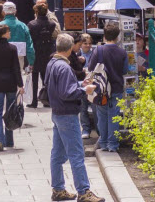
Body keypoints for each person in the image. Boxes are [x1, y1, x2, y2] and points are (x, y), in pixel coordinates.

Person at [45, 34, 104, 202]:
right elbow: (67, 93)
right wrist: (85, 90)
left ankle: (58, 189)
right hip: (67, 114)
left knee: (57, 154)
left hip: (57, 113)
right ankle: (84, 191)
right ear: (70, 48)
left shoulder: (53, 63)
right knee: (76, 154)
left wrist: (79, 84)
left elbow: (59, 88)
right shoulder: (64, 67)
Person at [88, 23, 128, 153]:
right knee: (114, 116)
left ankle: (103, 142)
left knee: (102, 116)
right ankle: (113, 144)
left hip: (101, 89)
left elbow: (90, 68)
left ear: (104, 36)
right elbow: (124, 70)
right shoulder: (122, 52)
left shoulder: (98, 50)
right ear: (117, 36)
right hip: (116, 88)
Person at [0, 23, 24, 151]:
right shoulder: (12, 48)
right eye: (8, 31)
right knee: (10, 111)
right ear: (3, 34)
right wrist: (20, 84)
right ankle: (9, 140)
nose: (10, 33)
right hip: (11, 82)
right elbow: (16, 68)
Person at [27, 3, 57, 108]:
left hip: (36, 52)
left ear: (36, 12)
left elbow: (29, 40)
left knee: (35, 78)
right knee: (46, 78)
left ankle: (34, 100)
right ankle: (47, 99)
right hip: (47, 52)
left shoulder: (32, 24)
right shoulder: (52, 24)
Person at [0, 2, 35, 70]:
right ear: (15, 11)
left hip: (2, 56)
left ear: (3, 12)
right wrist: (31, 62)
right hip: (19, 56)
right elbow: (29, 46)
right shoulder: (23, 26)